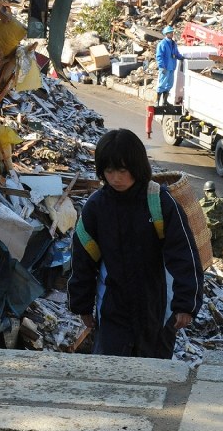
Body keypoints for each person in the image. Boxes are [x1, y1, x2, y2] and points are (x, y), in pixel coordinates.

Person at [67, 128, 204, 359]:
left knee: (154, 376)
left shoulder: (160, 202)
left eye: (122, 170)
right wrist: (82, 304)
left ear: (137, 166)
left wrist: (185, 304)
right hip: (112, 306)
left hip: (156, 308)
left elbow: (184, 254)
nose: (116, 178)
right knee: (110, 372)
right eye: (109, 170)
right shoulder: (96, 207)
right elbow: (83, 258)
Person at [199, 180, 223, 259]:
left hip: (206, 233)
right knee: (218, 255)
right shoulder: (222, 202)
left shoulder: (200, 203)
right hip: (220, 233)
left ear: (205, 191)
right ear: (214, 190)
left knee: (205, 256)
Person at [155, 25, 184, 106]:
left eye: (172, 32)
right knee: (162, 84)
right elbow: (159, 56)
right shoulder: (162, 44)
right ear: (166, 34)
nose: (172, 34)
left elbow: (176, 53)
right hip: (165, 67)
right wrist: (162, 66)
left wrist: (181, 57)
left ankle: (165, 101)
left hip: (171, 67)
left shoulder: (173, 43)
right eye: (170, 33)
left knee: (169, 84)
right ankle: (157, 101)